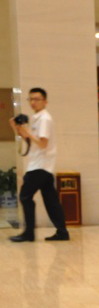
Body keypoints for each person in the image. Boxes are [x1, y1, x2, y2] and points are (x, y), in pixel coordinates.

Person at [8, 88, 69, 242]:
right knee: (51, 201)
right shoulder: (36, 118)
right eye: (31, 99)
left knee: (25, 196)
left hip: (40, 166)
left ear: (45, 101)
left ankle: (29, 233)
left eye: (37, 99)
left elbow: (43, 144)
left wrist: (27, 132)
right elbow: (30, 140)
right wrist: (16, 128)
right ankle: (62, 232)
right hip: (41, 166)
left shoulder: (45, 119)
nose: (33, 102)